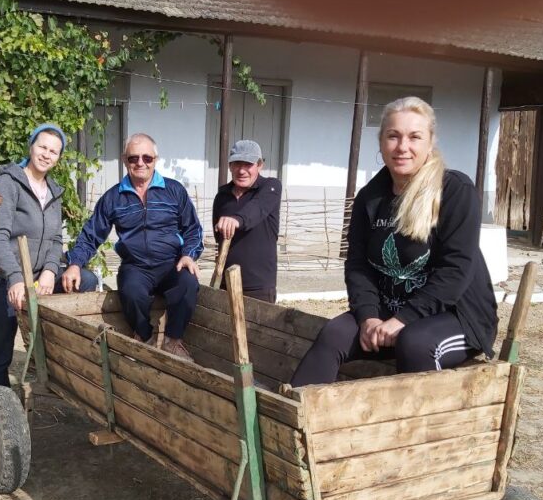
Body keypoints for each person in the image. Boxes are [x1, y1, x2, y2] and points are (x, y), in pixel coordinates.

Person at [290, 97, 498, 387]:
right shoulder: (371, 198)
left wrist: (403, 320)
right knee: (334, 333)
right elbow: (358, 265)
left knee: (414, 342)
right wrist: (368, 318)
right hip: (388, 310)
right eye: (393, 136)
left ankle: (418, 430)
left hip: (455, 316)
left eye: (415, 137)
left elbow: (455, 271)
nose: (402, 147)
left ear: (430, 142)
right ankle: (290, 418)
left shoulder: (454, 191)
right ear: (381, 141)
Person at [61, 133, 203, 360]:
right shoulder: (113, 197)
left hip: (171, 264)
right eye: (133, 158)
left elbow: (193, 229)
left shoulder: (174, 191)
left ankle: (172, 341)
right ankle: (144, 338)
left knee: (188, 282)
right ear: (124, 160)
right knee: (130, 291)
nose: (140, 163)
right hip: (136, 266)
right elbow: (91, 234)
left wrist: (188, 255)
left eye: (147, 157)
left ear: (155, 159)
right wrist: (75, 263)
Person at [0, 122, 96, 388]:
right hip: (2, 279)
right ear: (31, 147)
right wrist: (16, 278)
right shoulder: (8, 183)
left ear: (59, 157)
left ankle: (63, 366)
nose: (46, 154)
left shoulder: (54, 192)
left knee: (84, 280)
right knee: (1, 347)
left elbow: (55, 239)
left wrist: (50, 271)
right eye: (42, 147)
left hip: (37, 278)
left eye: (53, 151)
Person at [212, 139, 282, 302]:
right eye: (237, 164)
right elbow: (219, 238)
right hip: (226, 283)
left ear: (259, 165)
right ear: (230, 166)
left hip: (259, 287)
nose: (242, 170)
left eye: (248, 164)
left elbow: (257, 209)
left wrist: (237, 219)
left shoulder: (270, 187)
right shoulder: (222, 196)